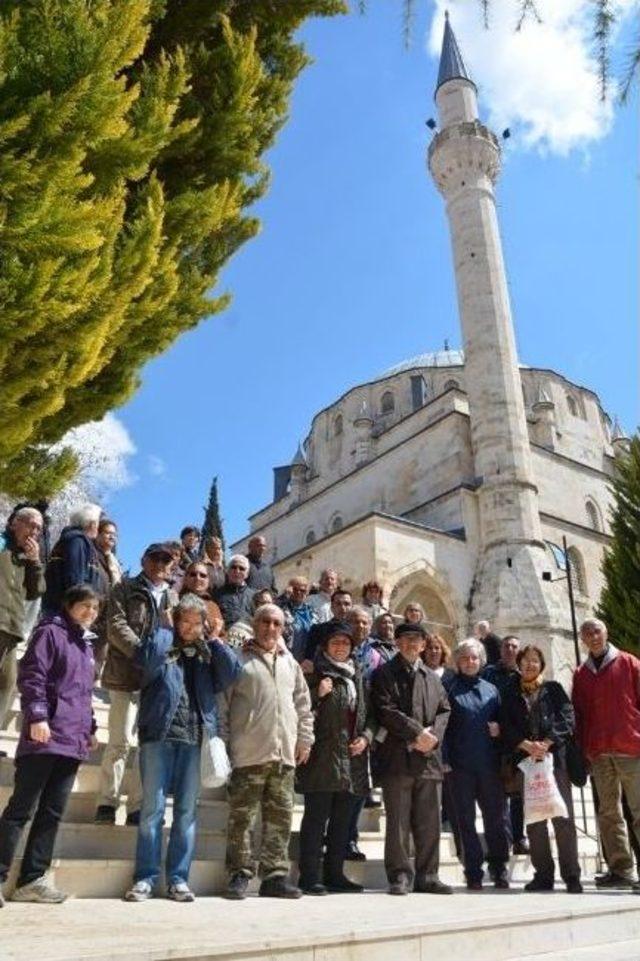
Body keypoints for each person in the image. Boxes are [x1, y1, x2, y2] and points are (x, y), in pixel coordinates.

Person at [124, 596, 241, 902]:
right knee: (152, 811)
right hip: (158, 737)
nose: (189, 629)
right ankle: (146, 878)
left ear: (204, 625)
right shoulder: (162, 645)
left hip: (194, 740)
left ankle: (178, 878)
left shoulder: (206, 655)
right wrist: (162, 629)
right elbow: (145, 659)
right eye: (184, 621)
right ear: (175, 621)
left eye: (196, 623)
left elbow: (231, 674)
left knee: (187, 813)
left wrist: (215, 641)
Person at [0, 586, 100, 906]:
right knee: (21, 810)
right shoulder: (50, 633)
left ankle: (31, 879)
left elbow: (84, 693)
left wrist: (92, 728)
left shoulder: (86, 645)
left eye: (95, 608)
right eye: (85, 606)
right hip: (45, 735)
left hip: (72, 739)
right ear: (69, 605)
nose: (90, 612)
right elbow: (32, 677)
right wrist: (38, 717)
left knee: (52, 812)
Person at [220, 603, 314, 900]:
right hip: (248, 751)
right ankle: (240, 873)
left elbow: (303, 704)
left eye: (276, 623)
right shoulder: (238, 660)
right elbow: (222, 704)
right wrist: (222, 743)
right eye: (265, 622)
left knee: (280, 817)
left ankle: (274, 876)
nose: (271, 628)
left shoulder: (291, 663)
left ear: (282, 628)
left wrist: (305, 739)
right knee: (242, 818)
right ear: (254, 624)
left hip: (284, 753)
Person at [95, 544, 178, 826]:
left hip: (157, 682)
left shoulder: (174, 597)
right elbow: (116, 625)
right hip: (126, 675)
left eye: (165, 560)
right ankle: (107, 801)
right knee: (119, 742)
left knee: (148, 746)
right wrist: (144, 653)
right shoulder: (125, 588)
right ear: (143, 560)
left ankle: (138, 806)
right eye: (154, 558)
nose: (159, 564)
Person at [371, 623, 452, 896]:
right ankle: (400, 876)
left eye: (416, 640)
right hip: (398, 758)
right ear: (397, 642)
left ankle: (429, 875)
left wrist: (433, 737)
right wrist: (417, 733)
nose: (411, 644)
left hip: (429, 760)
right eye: (405, 639)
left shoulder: (433, 677)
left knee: (429, 822)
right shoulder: (384, 673)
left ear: (423, 644)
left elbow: (444, 710)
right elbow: (385, 709)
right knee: (398, 823)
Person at [297, 622, 374, 894]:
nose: (340, 647)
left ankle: (334, 874)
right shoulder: (314, 675)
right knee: (316, 820)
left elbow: (369, 716)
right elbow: (301, 713)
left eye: (345, 643)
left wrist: (366, 737)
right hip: (322, 759)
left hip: (351, 761)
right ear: (325, 647)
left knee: (342, 823)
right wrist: (318, 695)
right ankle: (308, 876)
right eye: (335, 643)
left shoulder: (358, 677)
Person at [501, 645, 582, 893]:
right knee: (535, 821)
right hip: (527, 764)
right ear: (519, 664)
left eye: (535, 661)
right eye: (526, 661)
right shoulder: (510, 692)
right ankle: (543, 875)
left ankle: (571, 876)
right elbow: (506, 723)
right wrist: (526, 745)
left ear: (541, 664)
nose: (530, 665)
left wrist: (546, 743)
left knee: (562, 819)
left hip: (555, 762)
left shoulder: (553, 689)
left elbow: (567, 718)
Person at [572, 617, 640, 890]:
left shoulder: (629, 663)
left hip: (631, 747)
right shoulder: (581, 674)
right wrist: (585, 749)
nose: (593, 636)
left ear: (606, 632)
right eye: (587, 633)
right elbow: (579, 714)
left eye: (596, 631)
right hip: (599, 753)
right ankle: (621, 870)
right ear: (583, 640)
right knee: (608, 813)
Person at [445, 638, 510, 890]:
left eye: (474, 658)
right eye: (465, 658)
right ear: (457, 661)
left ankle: (499, 866)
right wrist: (445, 760)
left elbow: (504, 722)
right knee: (465, 820)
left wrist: (500, 730)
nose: (470, 662)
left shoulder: (491, 690)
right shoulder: (449, 689)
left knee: (496, 818)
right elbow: (444, 729)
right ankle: (473, 870)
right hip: (460, 767)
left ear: (481, 661)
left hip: (489, 766)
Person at [0, 508, 46, 738]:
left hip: (11, 628)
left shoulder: (25, 558)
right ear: (14, 523)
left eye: (39, 528)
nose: (34, 532)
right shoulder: (1, 544)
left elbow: (37, 590)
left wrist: (35, 561)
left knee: (7, 684)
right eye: (30, 525)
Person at [483, 635, 528, 855]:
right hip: (492, 741)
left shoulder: (523, 677)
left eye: (514, 646)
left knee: (518, 794)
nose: (510, 649)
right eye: (506, 646)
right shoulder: (488, 673)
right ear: (500, 649)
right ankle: (503, 838)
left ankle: (519, 837)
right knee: (496, 793)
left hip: (517, 742)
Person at [43, 503, 102, 614]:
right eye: (98, 523)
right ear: (92, 524)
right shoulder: (77, 541)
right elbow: (75, 578)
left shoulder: (73, 540)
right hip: (66, 611)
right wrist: (78, 611)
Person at [93, 519, 123, 678]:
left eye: (115, 535)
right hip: (90, 612)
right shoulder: (91, 554)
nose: (112, 537)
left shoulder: (114, 561)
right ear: (97, 534)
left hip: (107, 617)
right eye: (108, 533)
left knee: (97, 661)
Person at [303, 589, 353, 666]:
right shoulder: (318, 630)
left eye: (347, 604)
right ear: (332, 607)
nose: (343, 608)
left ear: (352, 607)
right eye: (338, 604)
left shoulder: (357, 630)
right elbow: (309, 659)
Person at [179, 561, 225, 639]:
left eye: (203, 575)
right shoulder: (176, 601)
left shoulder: (213, 606)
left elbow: (222, 635)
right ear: (186, 578)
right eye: (193, 574)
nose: (197, 578)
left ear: (208, 581)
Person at [277, 577, 316, 662]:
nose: (298, 592)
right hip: (286, 656)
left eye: (302, 590)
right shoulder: (282, 608)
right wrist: (284, 595)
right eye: (295, 589)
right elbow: (271, 608)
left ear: (307, 592)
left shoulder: (310, 611)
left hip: (307, 659)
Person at [213, 555, 255, 631]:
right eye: (233, 567)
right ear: (227, 570)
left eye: (241, 568)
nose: (237, 571)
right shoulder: (216, 595)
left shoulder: (255, 596)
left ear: (247, 574)